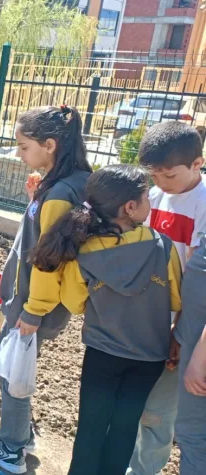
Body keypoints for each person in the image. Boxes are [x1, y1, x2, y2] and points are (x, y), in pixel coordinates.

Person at [28, 165, 181, 475]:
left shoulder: (83, 249)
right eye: (146, 196)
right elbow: (177, 300)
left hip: (101, 354)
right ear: (130, 207)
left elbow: (75, 302)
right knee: (124, 430)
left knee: (91, 429)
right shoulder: (163, 246)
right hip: (149, 357)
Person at [0, 105, 92, 473]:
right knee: (12, 364)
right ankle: (18, 432)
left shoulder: (58, 195)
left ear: (50, 145)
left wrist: (32, 310)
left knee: (12, 371)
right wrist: (35, 201)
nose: (19, 153)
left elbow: (48, 260)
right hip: (40, 302)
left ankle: (11, 448)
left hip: (34, 302)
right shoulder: (74, 182)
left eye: (24, 146)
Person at [128, 121, 206, 475]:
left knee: (159, 411)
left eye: (169, 175)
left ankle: (144, 469)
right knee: (133, 403)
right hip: (144, 317)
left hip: (183, 324)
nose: (159, 183)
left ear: (197, 164)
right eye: (152, 174)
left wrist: (179, 330)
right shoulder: (152, 196)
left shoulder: (202, 206)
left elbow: (196, 284)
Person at [176, 244, 206, 473]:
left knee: (194, 435)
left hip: (201, 363)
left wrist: (199, 359)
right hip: (192, 343)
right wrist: (179, 334)